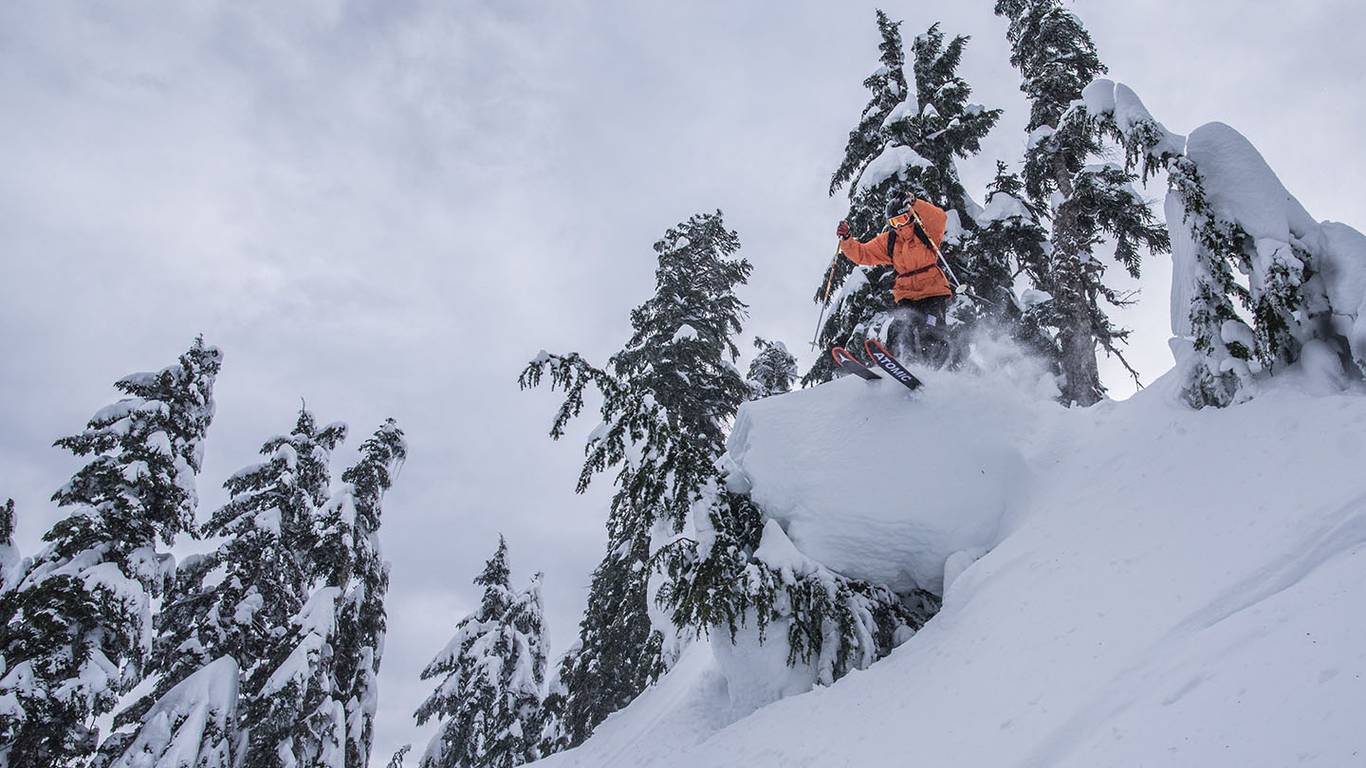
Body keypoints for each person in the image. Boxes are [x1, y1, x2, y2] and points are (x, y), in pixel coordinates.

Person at [836, 194, 954, 365]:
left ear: (910, 215)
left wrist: (915, 203)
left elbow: (939, 218)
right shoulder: (890, 240)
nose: (899, 226)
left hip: (933, 292)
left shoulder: (924, 231)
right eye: (894, 223)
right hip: (907, 295)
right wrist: (847, 240)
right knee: (900, 326)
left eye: (902, 219)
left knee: (931, 328)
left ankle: (934, 367)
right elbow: (863, 254)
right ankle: (903, 363)